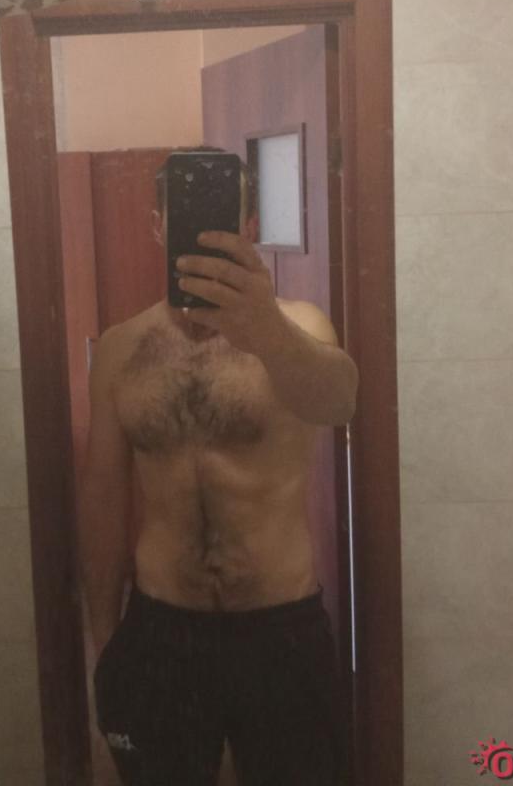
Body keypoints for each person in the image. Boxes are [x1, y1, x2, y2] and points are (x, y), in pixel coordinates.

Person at [78, 145, 359, 786]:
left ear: (250, 229)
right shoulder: (121, 350)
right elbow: (102, 496)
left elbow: (339, 402)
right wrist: (105, 643)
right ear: (158, 226)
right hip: (160, 628)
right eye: (182, 219)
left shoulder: (298, 327)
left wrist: (264, 328)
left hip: (281, 629)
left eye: (223, 222)